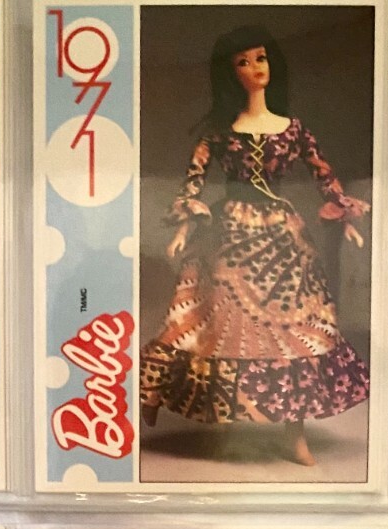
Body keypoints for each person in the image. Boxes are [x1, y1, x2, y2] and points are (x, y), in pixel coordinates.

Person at [140, 26, 369, 468]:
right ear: (231, 74)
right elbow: (193, 181)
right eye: (242, 62)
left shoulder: (292, 129)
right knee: (211, 324)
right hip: (231, 236)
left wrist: (345, 217)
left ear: (271, 63)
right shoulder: (219, 132)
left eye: (260, 58)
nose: (254, 68)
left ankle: (294, 434)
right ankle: (181, 403)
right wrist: (185, 225)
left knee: (295, 331)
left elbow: (324, 176)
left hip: (283, 236)